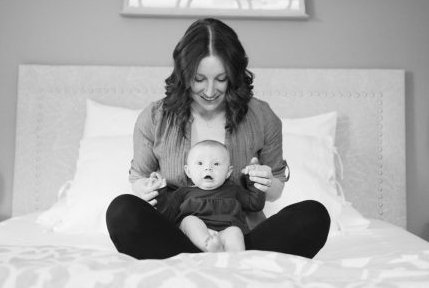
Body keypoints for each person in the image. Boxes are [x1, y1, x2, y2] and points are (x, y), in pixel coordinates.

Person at [106, 18, 330, 260]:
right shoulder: (154, 117)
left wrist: (264, 180)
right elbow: (138, 181)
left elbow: (274, 191)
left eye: (221, 79)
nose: (210, 91)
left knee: (313, 215)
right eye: (199, 79)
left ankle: (206, 263)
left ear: (234, 74)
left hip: (241, 239)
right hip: (177, 236)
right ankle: (222, 264)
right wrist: (149, 188)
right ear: (184, 74)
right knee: (121, 211)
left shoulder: (263, 116)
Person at [151, 139, 266, 252]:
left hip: (224, 236)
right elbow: (167, 215)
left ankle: (234, 261)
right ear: (188, 171)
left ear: (228, 172)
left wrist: (253, 179)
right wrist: (160, 191)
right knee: (189, 221)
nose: (208, 168)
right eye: (200, 163)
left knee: (235, 231)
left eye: (216, 164)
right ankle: (208, 246)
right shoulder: (183, 192)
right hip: (193, 241)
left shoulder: (234, 190)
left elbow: (255, 204)